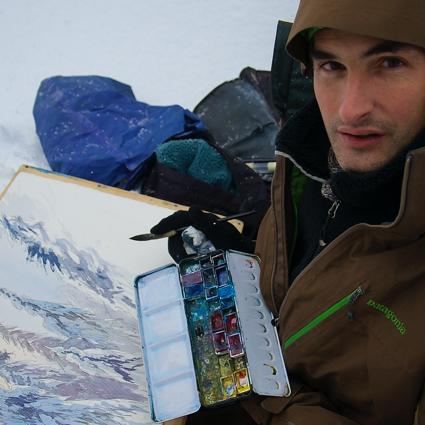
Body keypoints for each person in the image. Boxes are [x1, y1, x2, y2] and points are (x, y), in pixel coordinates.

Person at [152, 0, 425, 423]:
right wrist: (244, 247)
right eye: (331, 65)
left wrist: (260, 409)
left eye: (390, 63)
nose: (350, 110)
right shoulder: (309, 159)